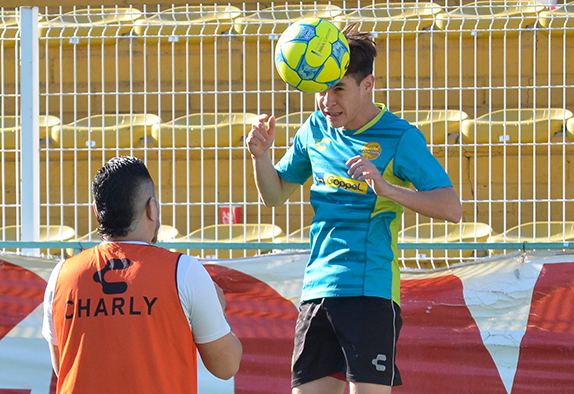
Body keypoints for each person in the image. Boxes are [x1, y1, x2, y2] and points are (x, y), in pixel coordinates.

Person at [246, 25, 462, 394]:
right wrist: (260, 157)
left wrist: (387, 188)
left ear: (368, 85)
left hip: (370, 292)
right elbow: (275, 195)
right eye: (322, 89)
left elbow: (451, 207)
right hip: (316, 290)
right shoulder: (314, 129)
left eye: (339, 89)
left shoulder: (400, 137)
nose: (327, 101)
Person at [42, 155, 243, 394]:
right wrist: (219, 311)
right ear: (152, 208)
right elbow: (227, 366)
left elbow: (62, 366)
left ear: (96, 212)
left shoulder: (61, 276)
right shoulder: (184, 272)